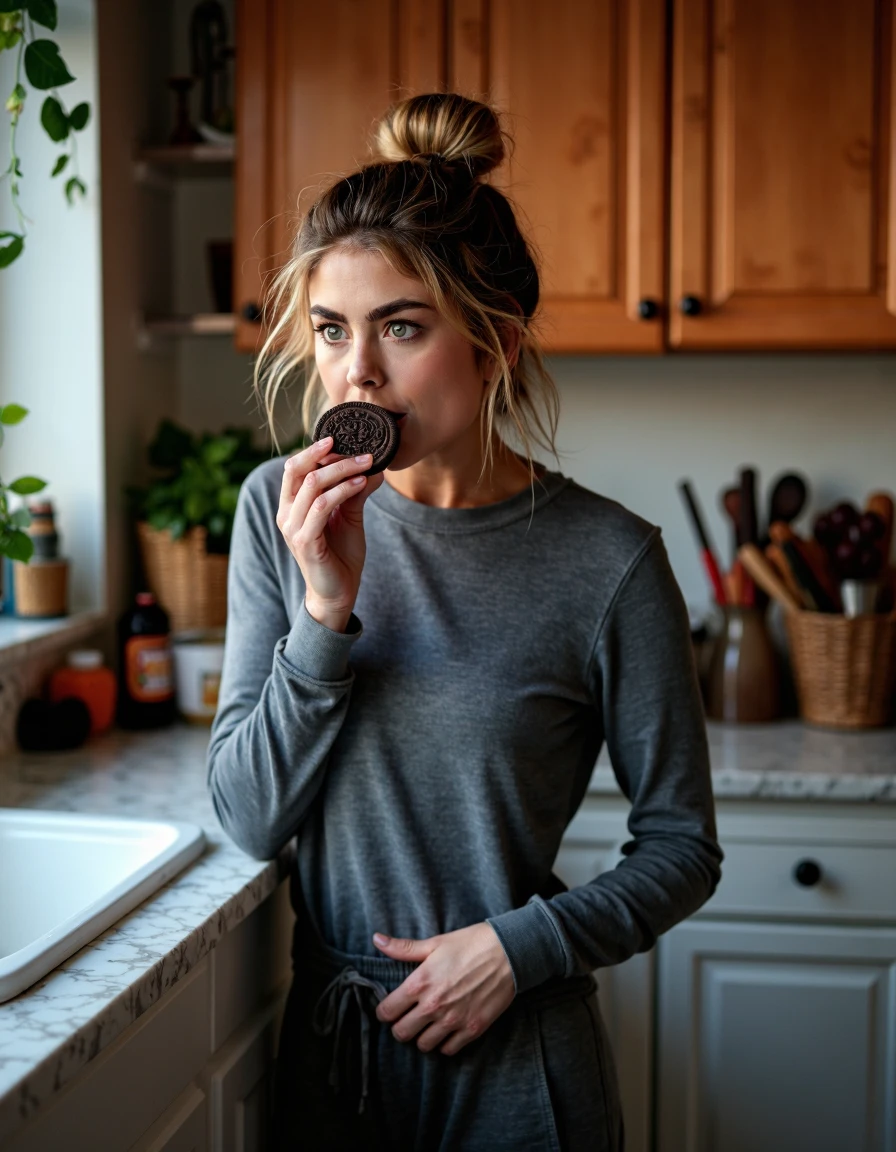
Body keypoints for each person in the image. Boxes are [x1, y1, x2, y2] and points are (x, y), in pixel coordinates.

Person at [206, 92, 723, 1151]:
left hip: (519, 1071)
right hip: (333, 1057)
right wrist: (326, 609)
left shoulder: (608, 561)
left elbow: (680, 847)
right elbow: (247, 818)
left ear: (494, 342)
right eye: (331, 330)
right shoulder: (278, 512)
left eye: (401, 327)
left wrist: (517, 948)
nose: (356, 372)